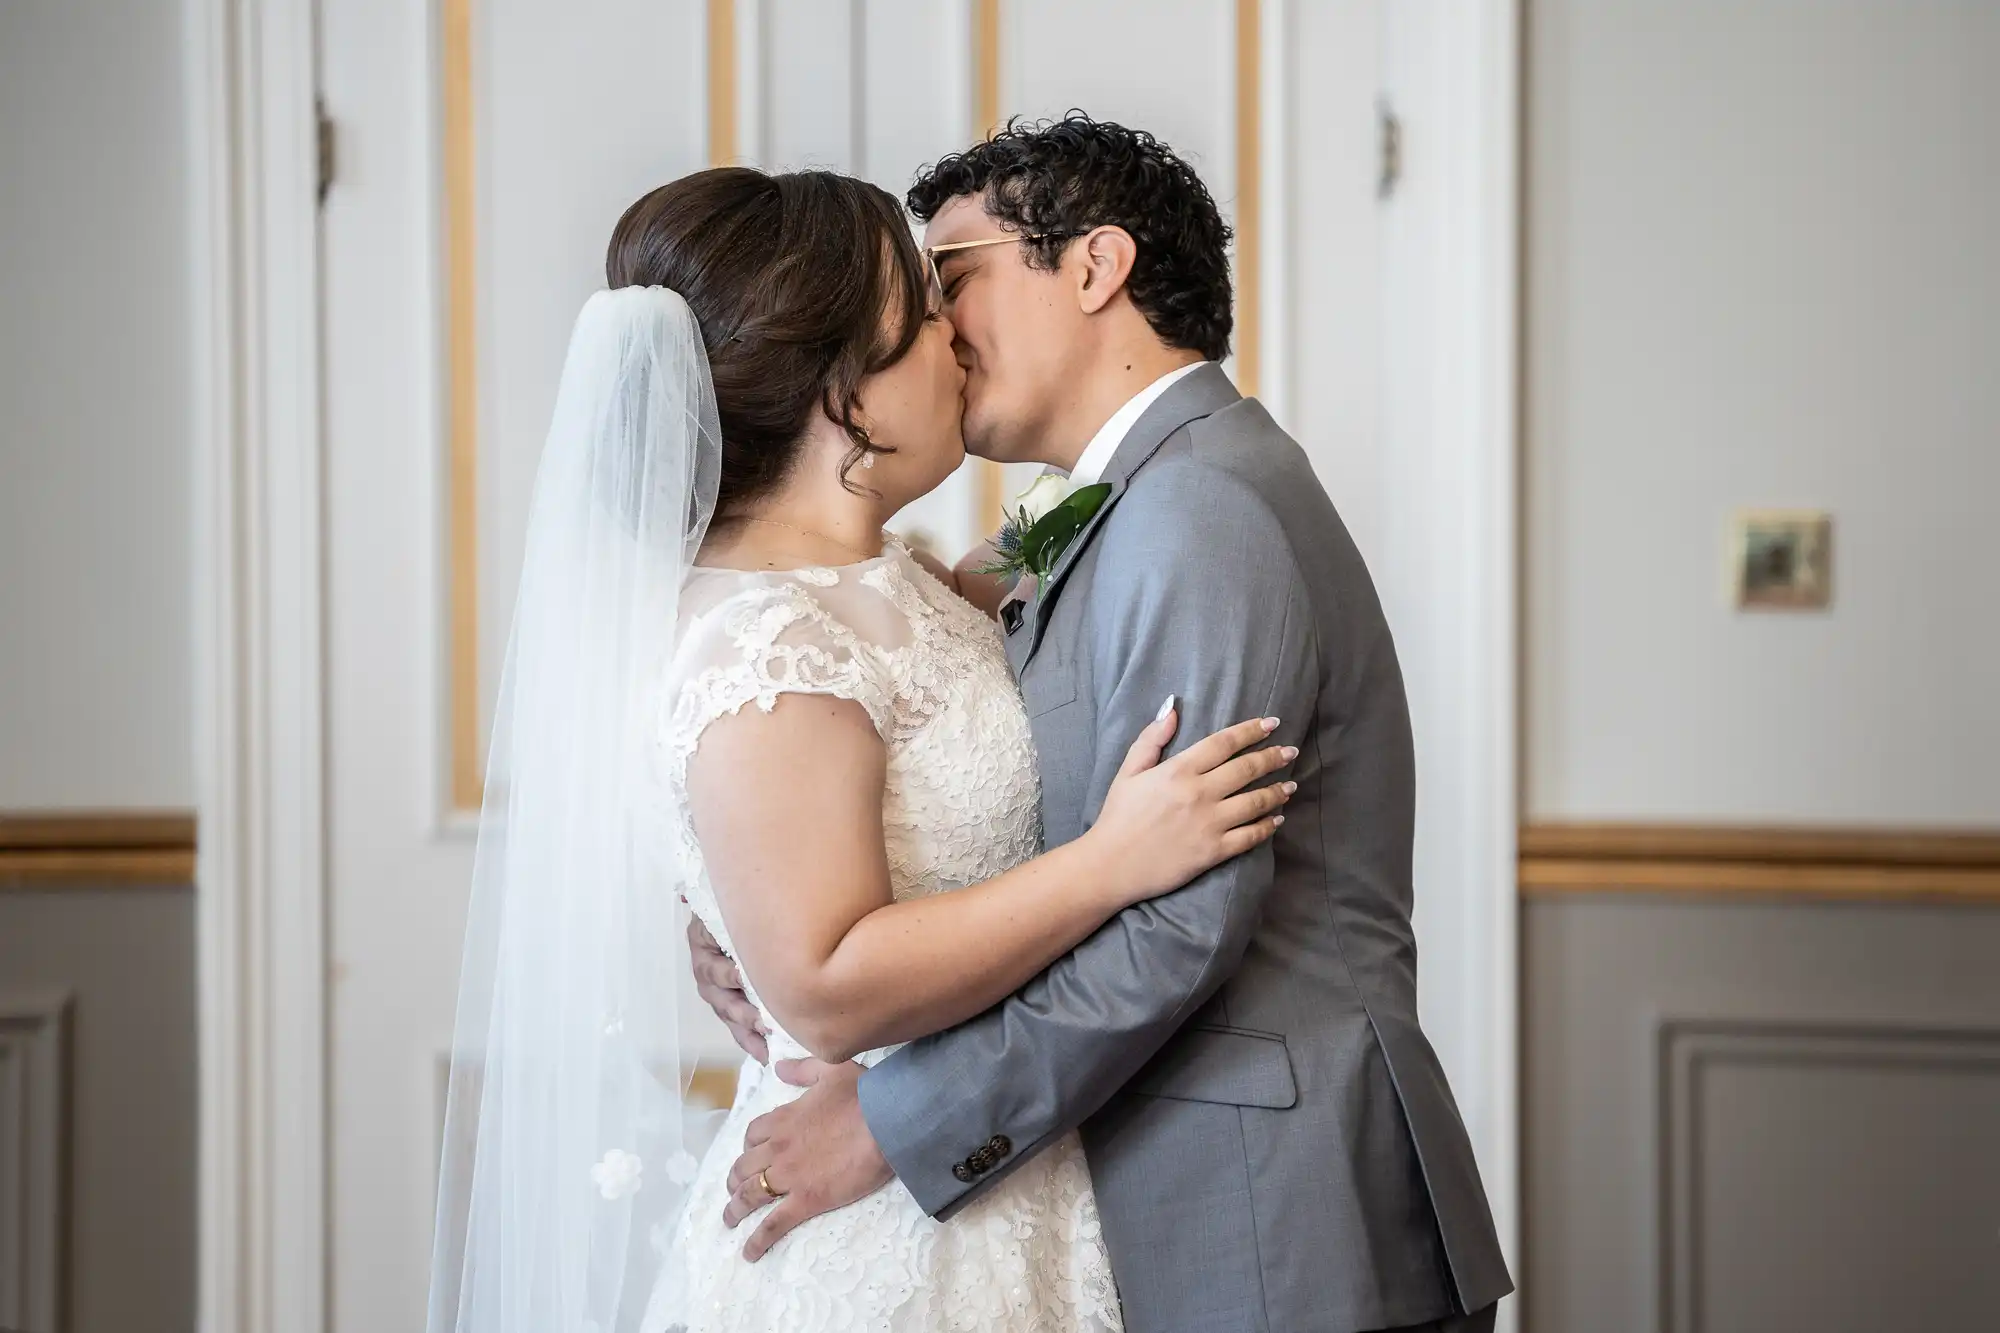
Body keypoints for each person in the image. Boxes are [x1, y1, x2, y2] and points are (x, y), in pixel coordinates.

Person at [428, 164, 1295, 1333]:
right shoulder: (773, 648)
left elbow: (1080, 506)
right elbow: (828, 982)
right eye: (927, 316)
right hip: (877, 1221)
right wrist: (1110, 863)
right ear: (850, 398)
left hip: (994, 1180)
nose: (958, 339)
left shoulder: (905, 576)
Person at [691, 116, 1514, 1333]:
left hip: (1269, 1211)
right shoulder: (1112, 504)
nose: (939, 330)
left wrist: (887, 1122)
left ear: (1093, 269)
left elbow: (1179, 923)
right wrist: (742, 916)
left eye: (953, 279)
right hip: (1163, 1192)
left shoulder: (1199, 511)